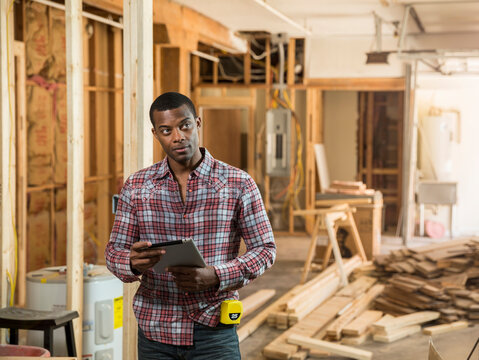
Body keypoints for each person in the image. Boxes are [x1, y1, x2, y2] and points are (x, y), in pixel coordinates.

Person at [105, 92, 276, 359]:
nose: (177, 136)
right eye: (166, 130)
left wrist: (216, 275)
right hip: (155, 332)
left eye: (184, 125)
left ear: (197, 123)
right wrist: (132, 262)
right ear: (155, 134)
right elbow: (114, 252)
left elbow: (265, 249)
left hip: (214, 330)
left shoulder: (238, 183)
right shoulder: (137, 187)